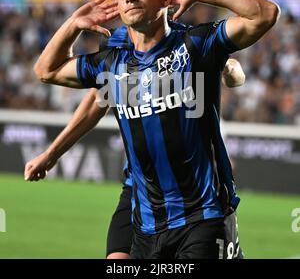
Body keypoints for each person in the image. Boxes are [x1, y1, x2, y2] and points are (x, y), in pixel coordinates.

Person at [29, 0, 279, 258]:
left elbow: (264, 14)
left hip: (202, 214)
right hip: (145, 214)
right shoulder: (114, 58)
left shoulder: (193, 44)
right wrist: (72, 25)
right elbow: (52, 74)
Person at [24, 59, 245, 259]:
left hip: (193, 200)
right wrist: (51, 153)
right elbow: (95, 95)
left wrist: (227, 69)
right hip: (140, 191)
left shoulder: (187, 48)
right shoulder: (123, 55)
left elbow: (232, 66)